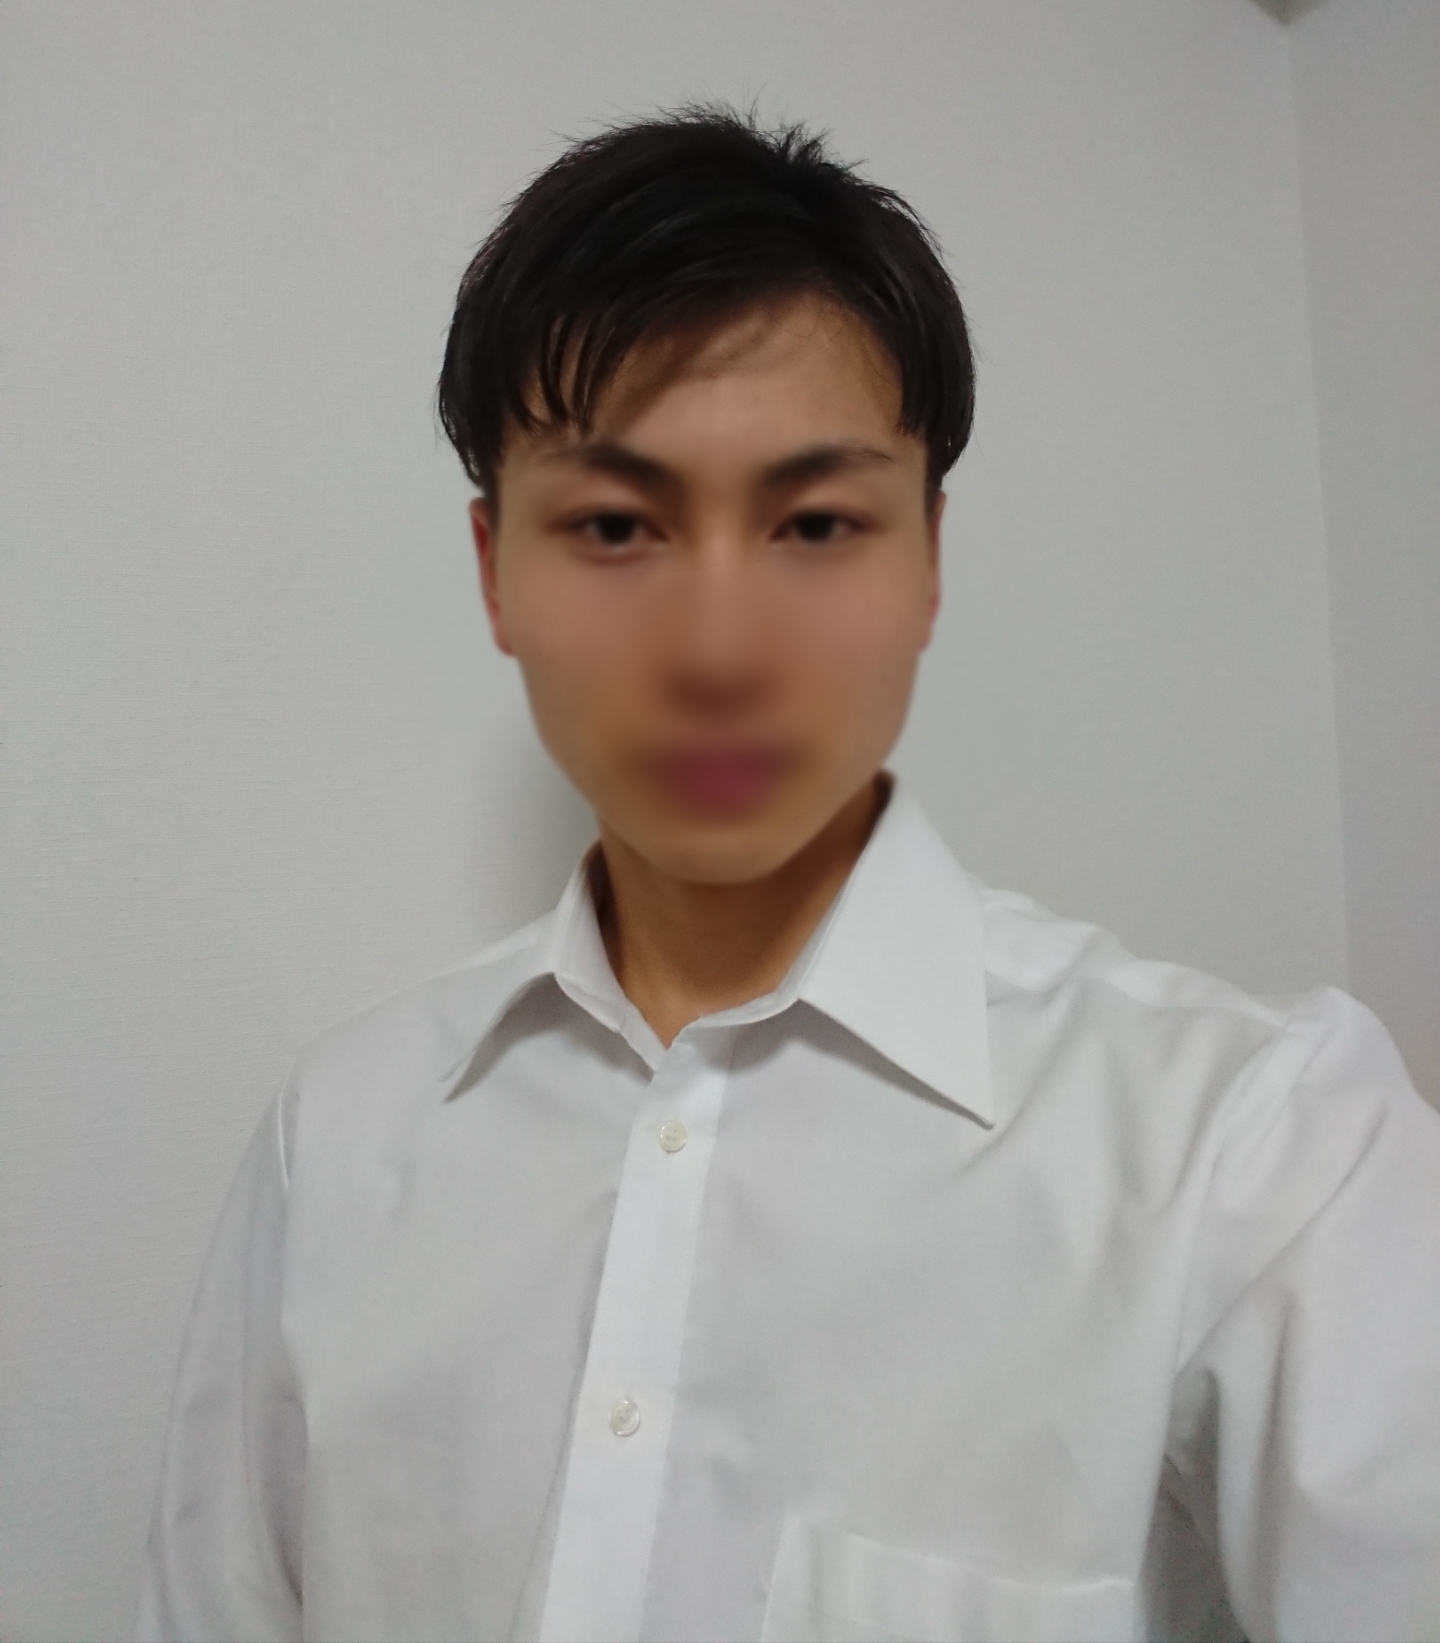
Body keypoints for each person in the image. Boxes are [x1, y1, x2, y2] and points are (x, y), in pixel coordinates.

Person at [137, 106, 1440, 1643]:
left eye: (815, 523)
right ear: (494, 570)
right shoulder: (339, 1146)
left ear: (929, 558)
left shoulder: (1258, 1151)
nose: (717, 651)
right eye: (613, 525)